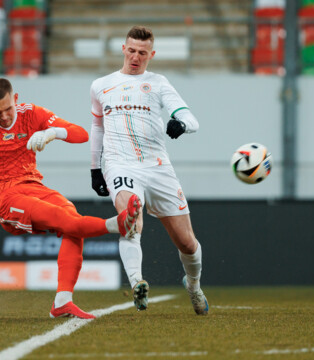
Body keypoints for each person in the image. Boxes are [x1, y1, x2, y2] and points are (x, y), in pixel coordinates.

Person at [0, 78, 141, 319]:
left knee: (70, 216)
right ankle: (117, 224)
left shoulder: (31, 114)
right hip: (2, 197)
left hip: (32, 185)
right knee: (62, 218)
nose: (5, 116)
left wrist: (53, 133)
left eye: (8, 109)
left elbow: (81, 134)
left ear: (15, 99)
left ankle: (63, 301)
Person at [89, 26, 208, 315]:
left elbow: (190, 118)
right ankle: (137, 283)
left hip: (157, 167)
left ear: (151, 54)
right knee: (131, 216)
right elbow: (97, 127)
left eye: (142, 53)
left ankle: (193, 285)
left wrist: (181, 124)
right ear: (123, 49)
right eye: (131, 50)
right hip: (119, 163)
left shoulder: (158, 83)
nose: (135, 57)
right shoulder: (100, 85)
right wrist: (95, 168)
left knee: (187, 243)